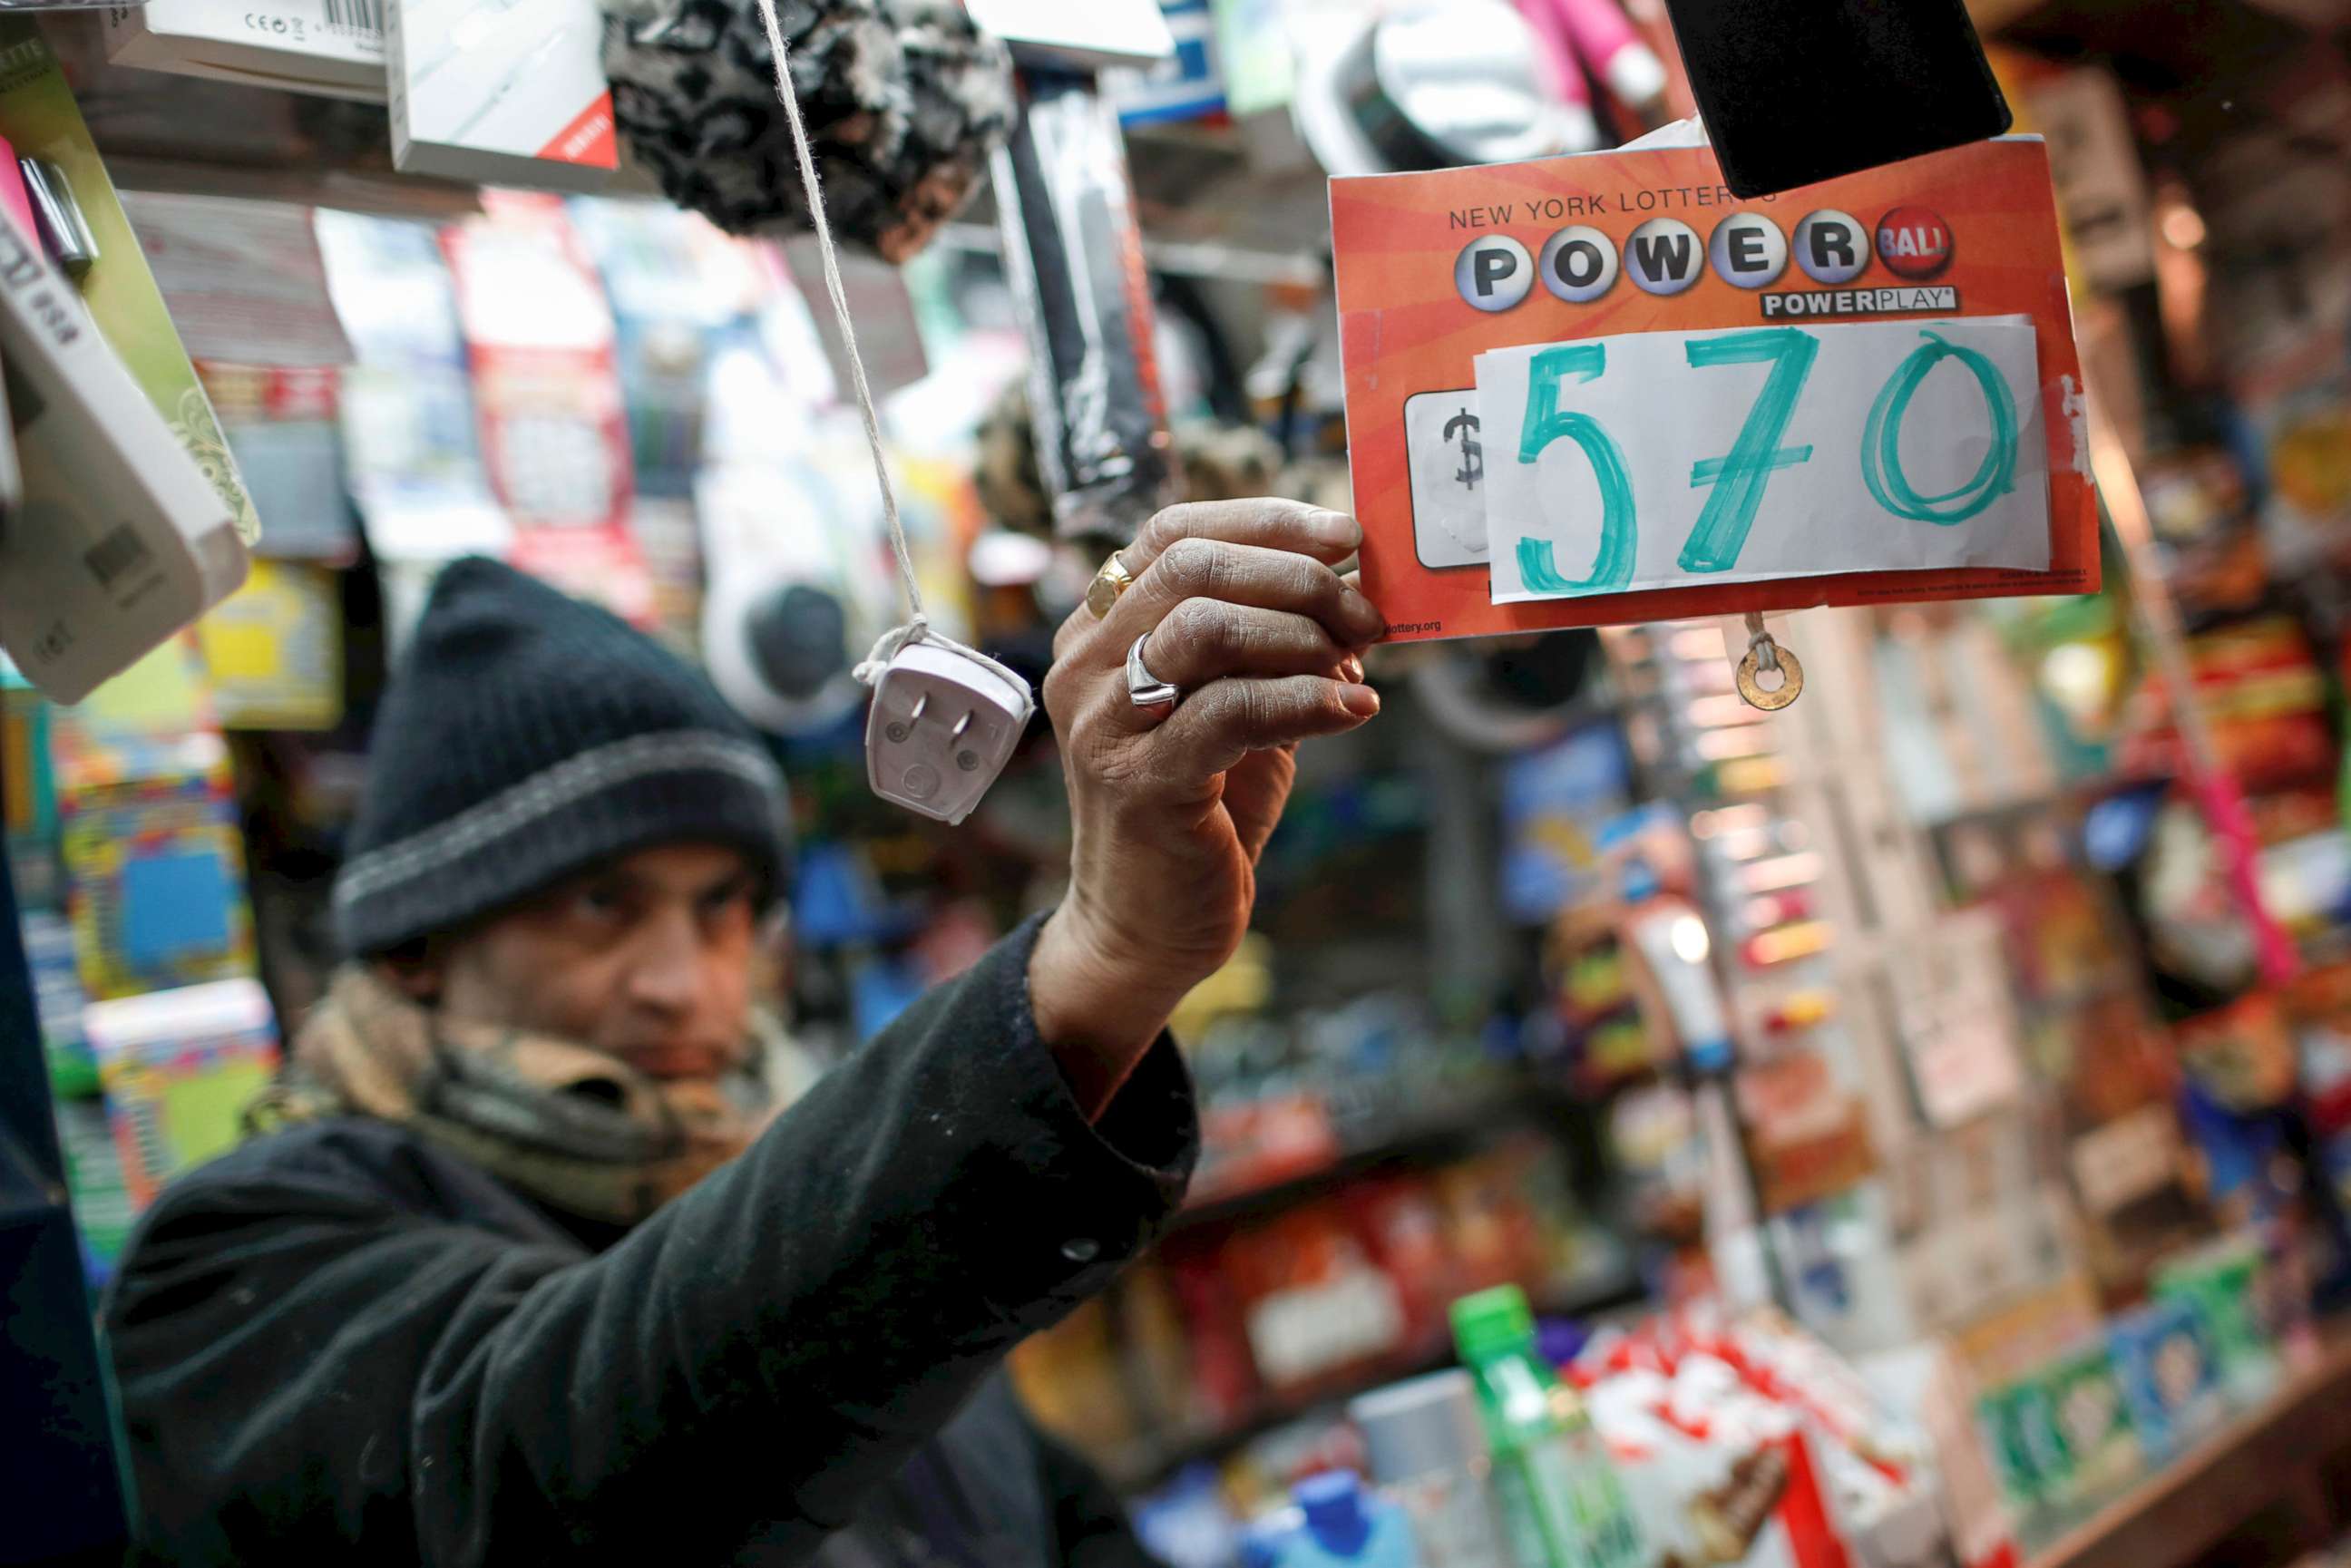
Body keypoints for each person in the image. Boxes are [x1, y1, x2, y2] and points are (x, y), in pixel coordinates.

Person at [100, 499, 1387, 1566]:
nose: (683, 980)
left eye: (724, 909)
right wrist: (1099, 962)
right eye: (601, 905)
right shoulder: (242, 1259)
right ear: (420, 951)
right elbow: (554, 1464)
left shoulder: (808, 1199)